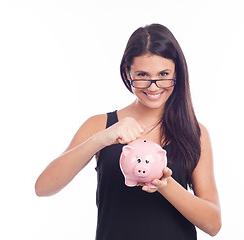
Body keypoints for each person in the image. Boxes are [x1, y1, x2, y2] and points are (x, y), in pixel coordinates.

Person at [35, 23, 221, 239]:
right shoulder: (101, 125)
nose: (153, 86)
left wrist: (165, 184)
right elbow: (43, 188)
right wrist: (101, 139)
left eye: (163, 74)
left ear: (176, 72)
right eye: (142, 74)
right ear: (127, 71)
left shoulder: (195, 132)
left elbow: (213, 224)